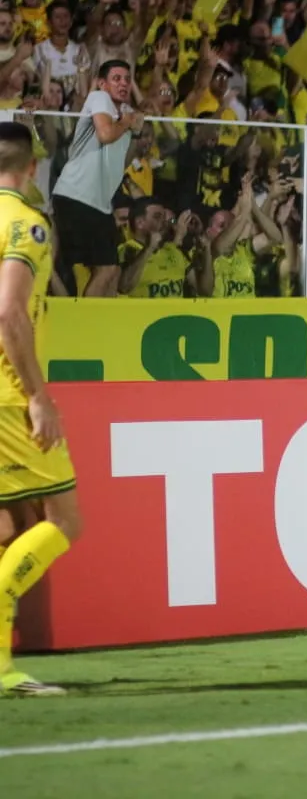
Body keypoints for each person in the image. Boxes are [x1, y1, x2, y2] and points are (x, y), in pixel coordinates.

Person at [0, 122, 82, 696]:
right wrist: (37, 397)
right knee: (65, 520)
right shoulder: (25, 224)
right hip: (7, 396)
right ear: (32, 168)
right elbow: (9, 312)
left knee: (7, 528)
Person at [50, 59, 139, 297]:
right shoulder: (99, 98)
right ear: (102, 84)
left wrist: (136, 132)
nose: (123, 84)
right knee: (106, 268)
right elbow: (106, 134)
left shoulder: (123, 116)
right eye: (116, 79)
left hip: (98, 204)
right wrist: (126, 123)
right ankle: (82, 317)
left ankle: (90, 314)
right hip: (77, 195)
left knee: (111, 271)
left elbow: (121, 163)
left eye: (127, 79)